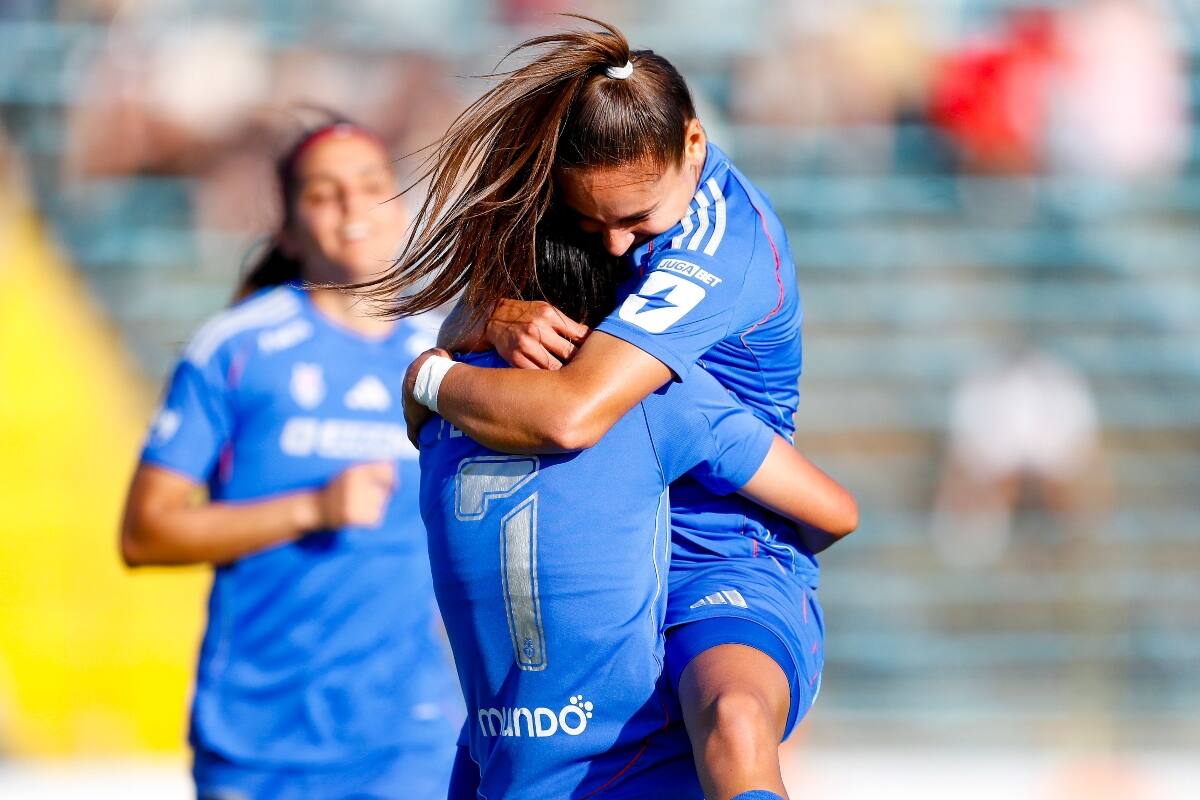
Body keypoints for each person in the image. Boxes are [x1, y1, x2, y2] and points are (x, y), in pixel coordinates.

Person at [367, 18, 835, 798]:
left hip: (714, 552)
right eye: (594, 222)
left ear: (693, 145)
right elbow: (466, 333)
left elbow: (571, 413)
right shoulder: (580, 199)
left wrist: (426, 378)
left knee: (734, 721)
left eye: (637, 219)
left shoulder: (721, 248)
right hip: (591, 544)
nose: (616, 246)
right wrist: (489, 318)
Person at [419, 221, 857, 799]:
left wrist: (425, 373)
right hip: (626, 755)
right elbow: (835, 513)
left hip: (503, 747)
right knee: (735, 718)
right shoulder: (657, 398)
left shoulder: (443, 408)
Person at [119, 118, 461, 799]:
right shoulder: (235, 347)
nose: (353, 206)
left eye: (371, 185)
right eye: (323, 193)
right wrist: (313, 509)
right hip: (259, 740)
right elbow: (145, 533)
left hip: (408, 737)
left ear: (401, 206)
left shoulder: (446, 358)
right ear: (287, 229)